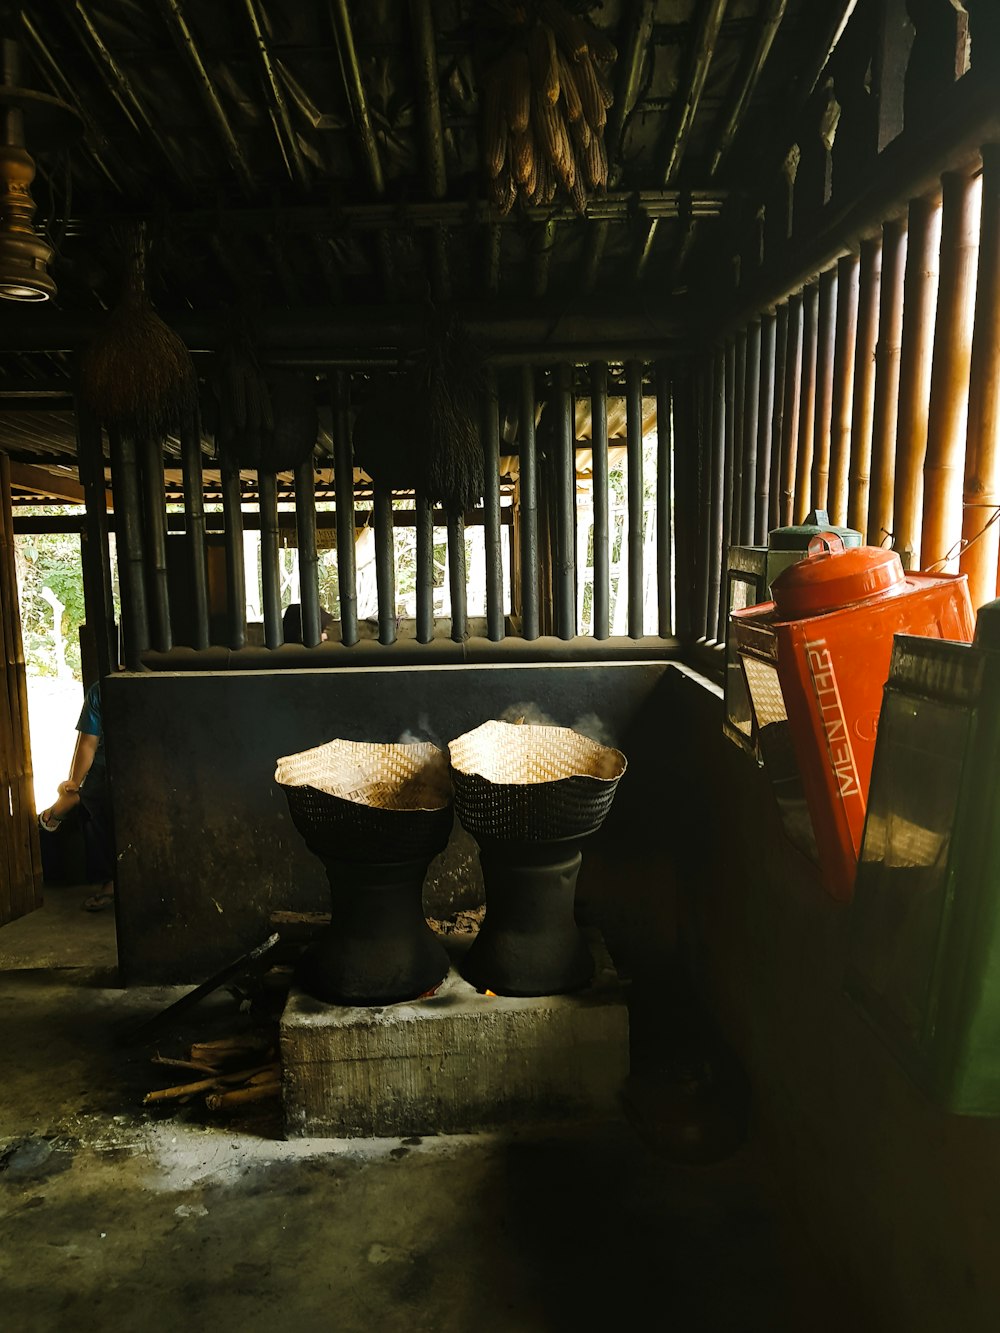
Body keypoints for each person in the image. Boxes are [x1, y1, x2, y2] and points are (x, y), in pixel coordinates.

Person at [39, 679, 115, 912]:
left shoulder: (102, 689)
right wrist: (74, 783)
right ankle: (111, 882)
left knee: (91, 800)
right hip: (108, 767)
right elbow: (87, 744)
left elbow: (88, 744)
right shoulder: (100, 691)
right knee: (91, 803)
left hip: (137, 763)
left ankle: (56, 812)